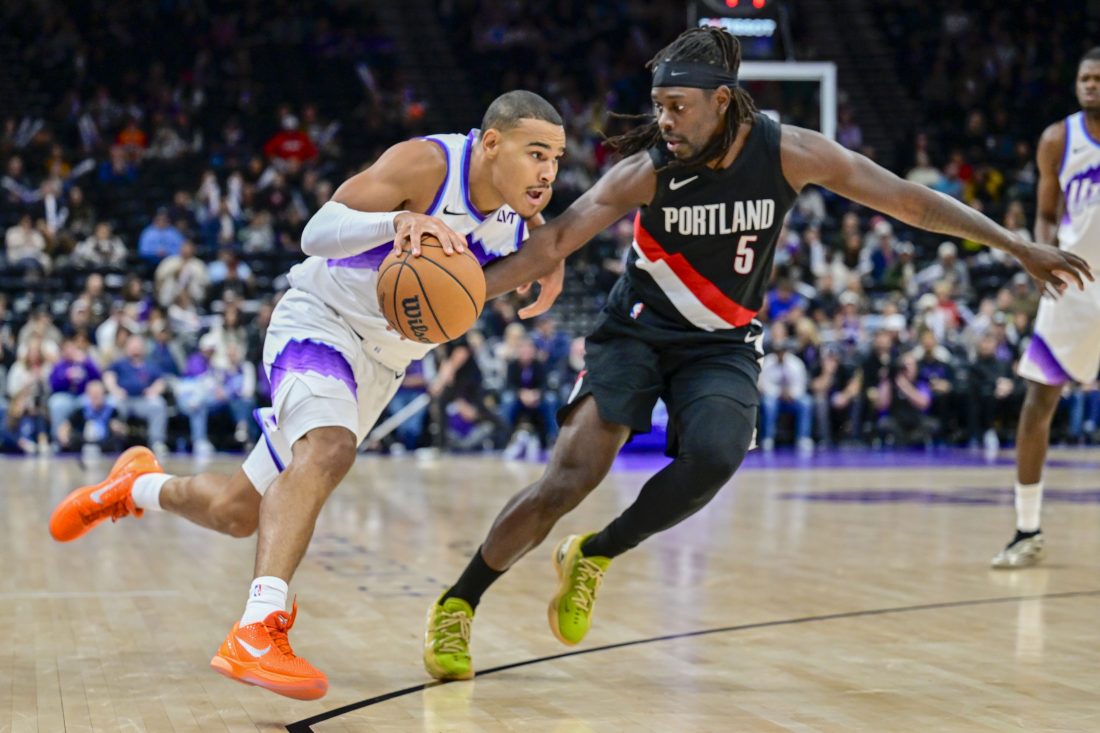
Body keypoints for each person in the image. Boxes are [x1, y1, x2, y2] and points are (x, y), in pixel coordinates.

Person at [421, 27, 1092, 682]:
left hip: (721, 342)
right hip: (636, 331)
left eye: (677, 107)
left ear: (722, 100)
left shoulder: (789, 152)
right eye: (658, 106)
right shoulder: (648, 169)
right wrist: (469, 291)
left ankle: (595, 555)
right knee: (567, 482)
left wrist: (1016, 244)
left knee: (715, 455)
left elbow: (908, 200)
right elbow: (557, 238)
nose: (664, 120)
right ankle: (460, 600)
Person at [48, 90, 567, 700]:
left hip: (383, 367)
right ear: (492, 144)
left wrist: (545, 252)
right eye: (536, 153)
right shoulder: (426, 165)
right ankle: (257, 629)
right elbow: (315, 231)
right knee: (327, 449)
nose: (549, 171)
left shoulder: (518, 212)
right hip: (321, 323)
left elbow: (550, 230)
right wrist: (396, 222)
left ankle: (133, 486)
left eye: (556, 157)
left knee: (239, 513)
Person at [992, 48, 1100, 569]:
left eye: (1099, 78)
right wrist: (1040, 258)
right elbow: (1044, 216)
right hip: (1075, 286)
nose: (1091, 85)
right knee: (1039, 402)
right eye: (1084, 77)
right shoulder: (1059, 139)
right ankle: (1026, 527)